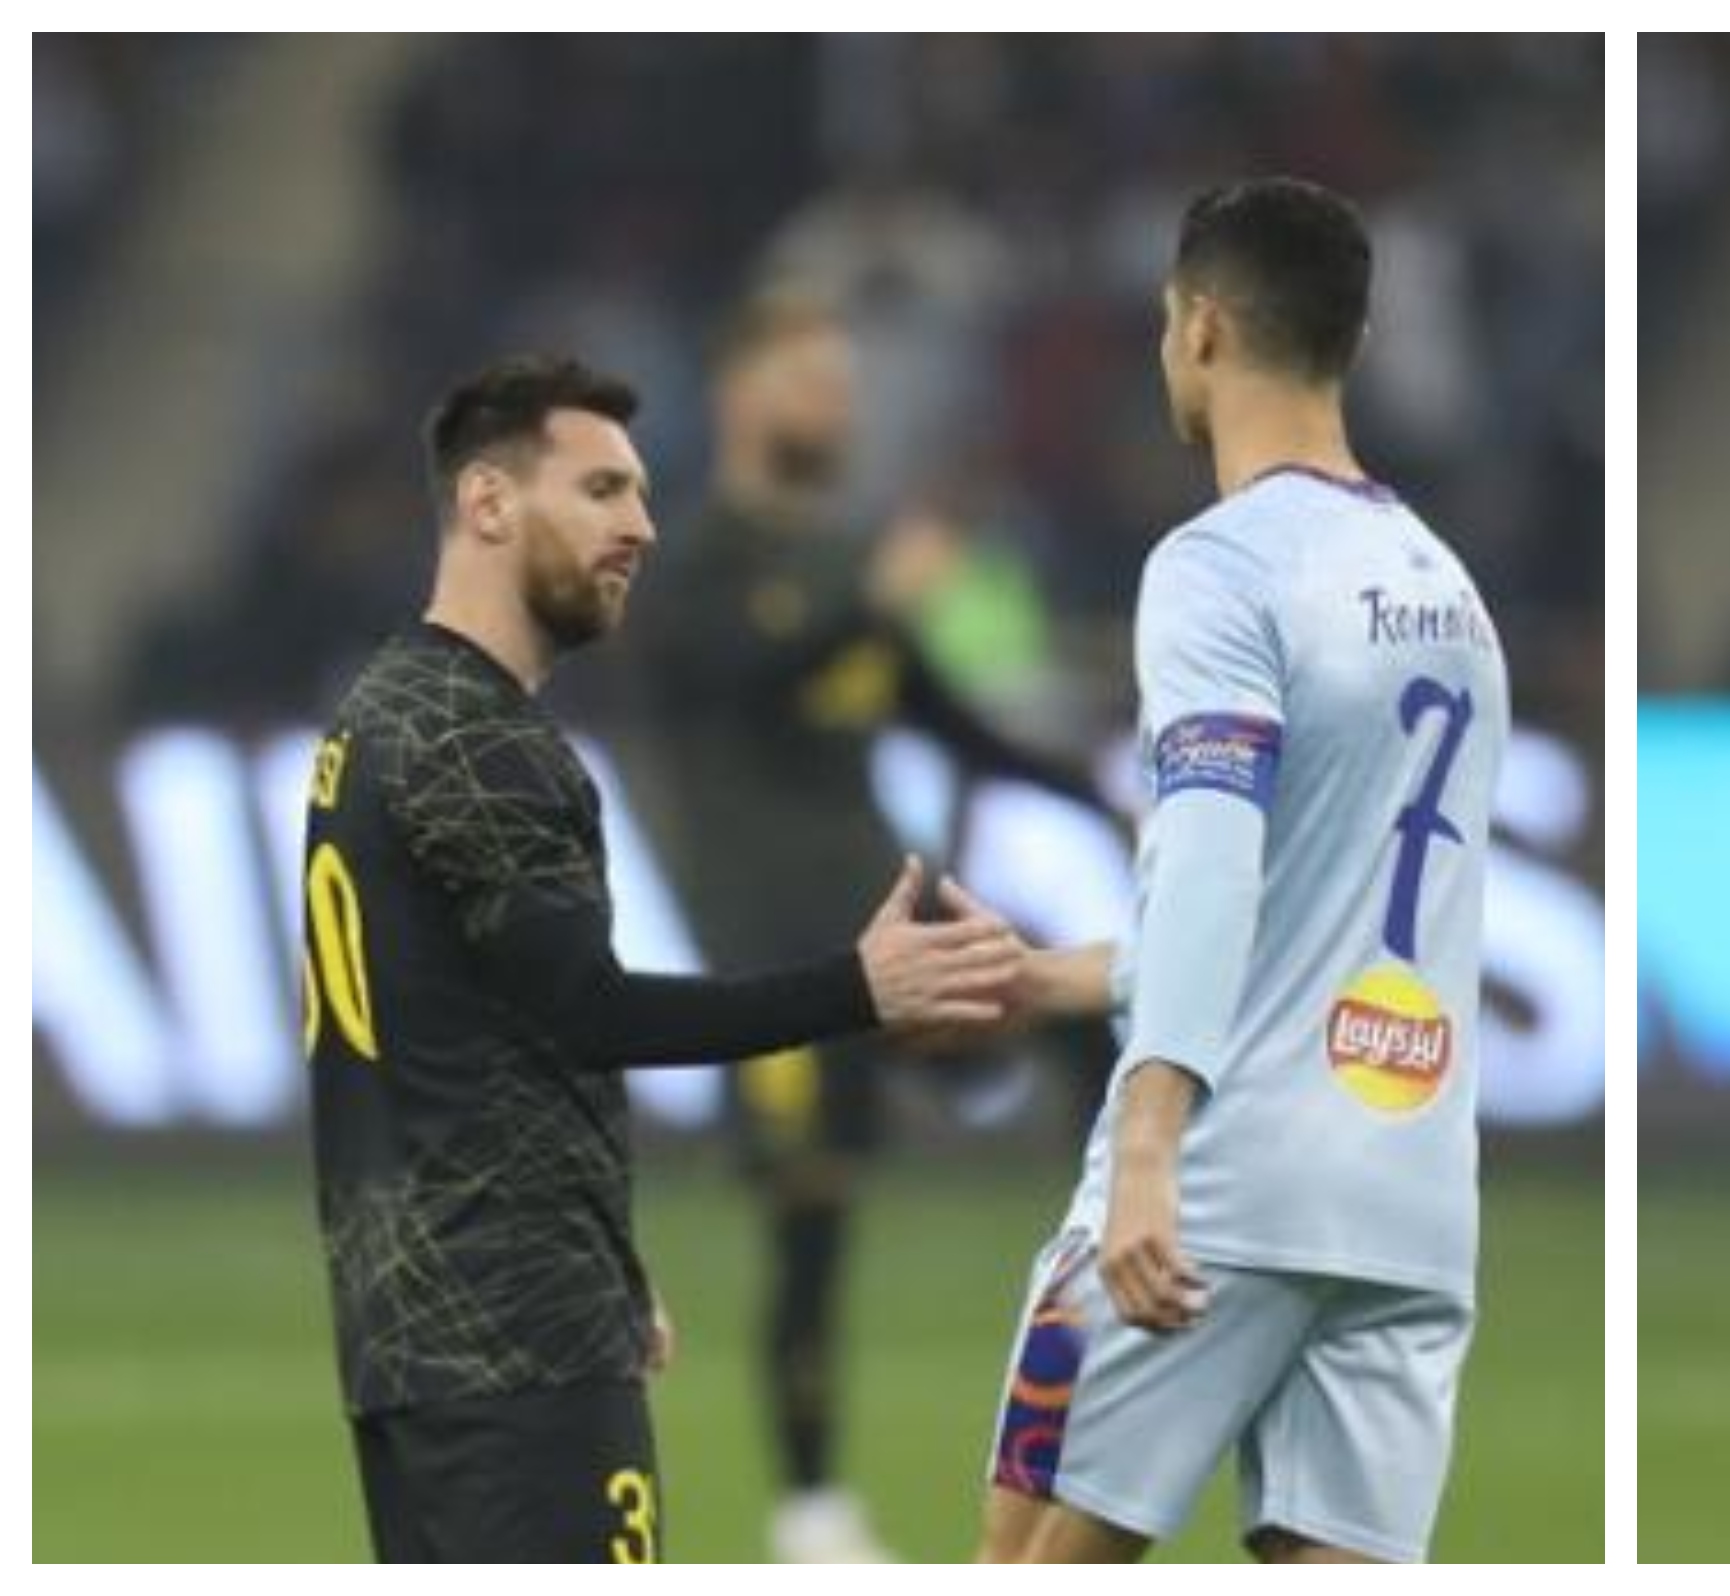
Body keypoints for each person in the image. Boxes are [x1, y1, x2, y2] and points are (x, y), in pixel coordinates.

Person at [301, 354, 1020, 1562]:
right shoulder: (488, 747)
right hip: (520, 1361)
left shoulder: (382, 712)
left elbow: (479, 1036)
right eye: (601, 490)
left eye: (640, 493)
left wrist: (604, 1256)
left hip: (416, 1337)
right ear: (487, 503)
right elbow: (593, 1013)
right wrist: (860, 986)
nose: (640, 525)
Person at [973, 176, 1508, 1565]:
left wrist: (1148, 1148)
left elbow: (1211, 860)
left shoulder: (1221, 566)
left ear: (1200, 329)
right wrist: (1055, 976)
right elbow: (1323, 905)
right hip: (1406, 1197)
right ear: (1358, 342)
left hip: (1223, 1177)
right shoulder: (1449, 590)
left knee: (1022, 1564)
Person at [631, 289, 1099, 1562]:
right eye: (811, 379)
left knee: (1098, 1016)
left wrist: (1102, 784)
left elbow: (945, 720)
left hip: (891, 898)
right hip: (780, 950)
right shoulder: (692, 557)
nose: (836, 402)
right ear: (742, 394)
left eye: (842, 383)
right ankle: (812, 1513)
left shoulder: (846, 560)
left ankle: (1126, 1303)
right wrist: (873, 603)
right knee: (813, 1217)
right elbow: (727, 680)